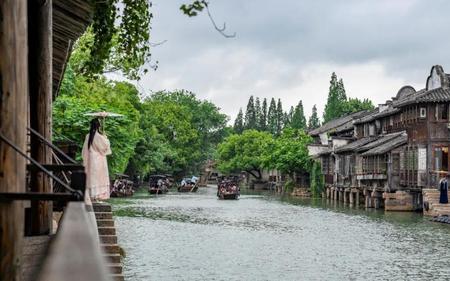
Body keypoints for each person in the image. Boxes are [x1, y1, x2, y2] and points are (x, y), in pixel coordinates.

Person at [82, 118, 112, 201]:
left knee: (91, 177)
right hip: (99, 160)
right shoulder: (99, 136)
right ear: (98, 126)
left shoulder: (88, 136)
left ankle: (91, 196)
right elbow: (105, 146)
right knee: (98, 178)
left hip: (90, 159)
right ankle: (96, 197)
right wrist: (106, 138)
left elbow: (84, 150)